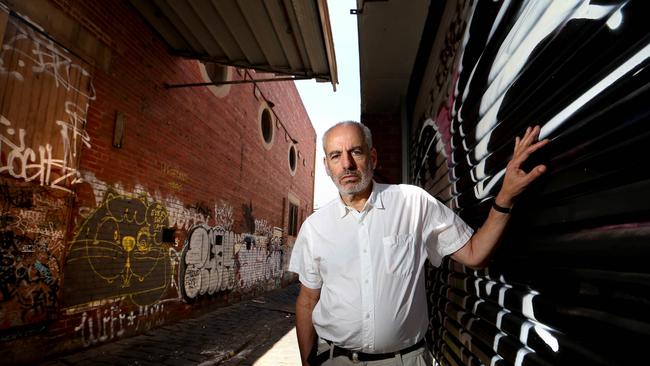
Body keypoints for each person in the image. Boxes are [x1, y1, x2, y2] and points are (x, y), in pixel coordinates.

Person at [289, 121, 548, 365]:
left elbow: (475, 254)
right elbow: (307, 301)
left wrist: (506, 195)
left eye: (355, 152)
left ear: (373, 157)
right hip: (336, 360)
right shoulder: (315, 227)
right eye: (336, 156)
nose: (347, 164)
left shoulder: (413, 203)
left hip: (405, 360)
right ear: (326, 165)